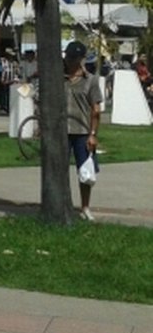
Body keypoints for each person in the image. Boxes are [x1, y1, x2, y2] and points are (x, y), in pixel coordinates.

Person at [63, 41, 102, 221]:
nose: (71, 61)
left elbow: (96, 109)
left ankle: (85, 206)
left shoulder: (90, 80)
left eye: (75, 58)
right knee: (59, 169)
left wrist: (93, 135)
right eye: (69, 57)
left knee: (85, 172)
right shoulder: (59, 77)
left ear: (81, 59)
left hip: (82, 131)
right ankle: (62, 204)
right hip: (62, 131)